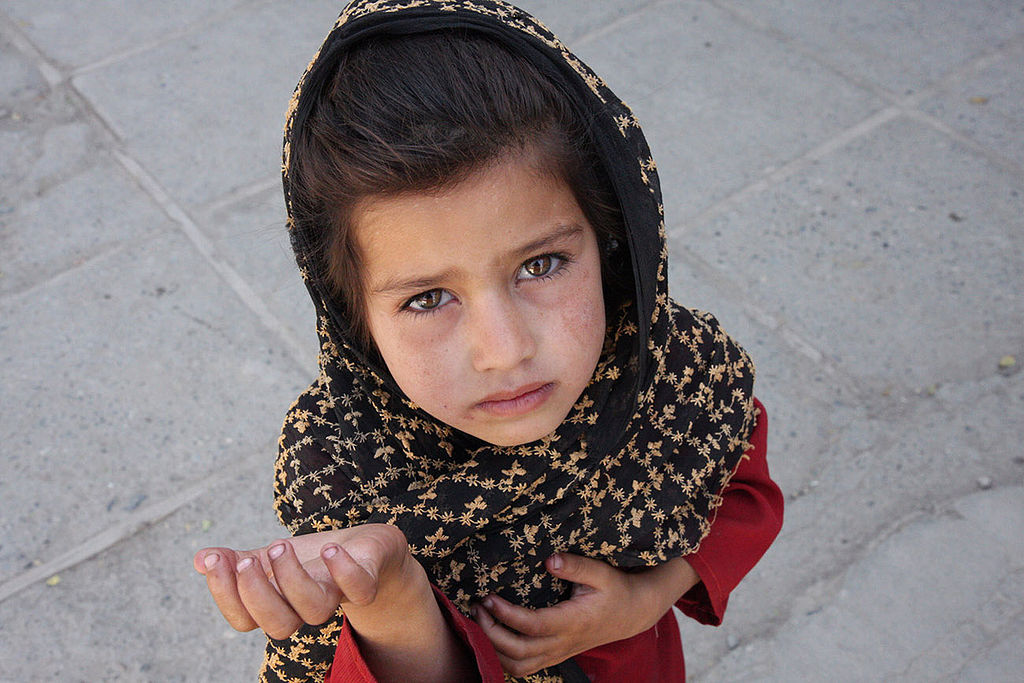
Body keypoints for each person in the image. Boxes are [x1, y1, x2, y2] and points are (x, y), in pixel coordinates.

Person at [193, 1, 783, 681]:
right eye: (426, 298)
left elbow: (745, 493)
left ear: (612, 240)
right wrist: (390, 599)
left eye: (540, 265)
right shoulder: (345, 481)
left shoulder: (673, 378)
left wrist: (648, 597)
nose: (504, 351)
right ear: (353, 322)